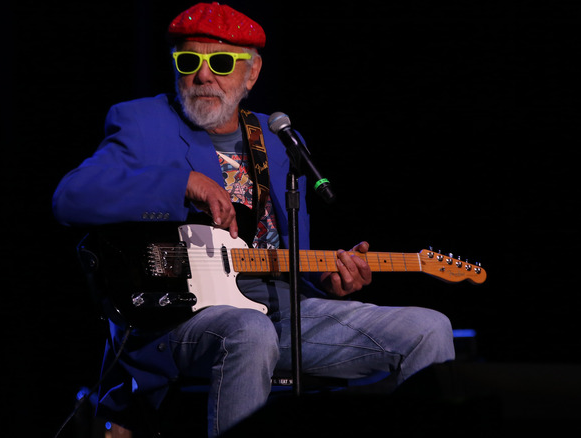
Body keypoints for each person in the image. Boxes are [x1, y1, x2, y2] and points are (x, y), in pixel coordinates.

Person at [52, 3, 455, 437]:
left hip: (279, 314)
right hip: (179, 325)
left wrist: (326, 281)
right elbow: (70, 198)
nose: (204, 76)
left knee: (429, 328)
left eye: (221, 63)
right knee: (249, 330)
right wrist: (181, 182)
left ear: (252, 73)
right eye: (189, 61)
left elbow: (280, 252)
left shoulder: (278, 139)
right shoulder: (143, 122)